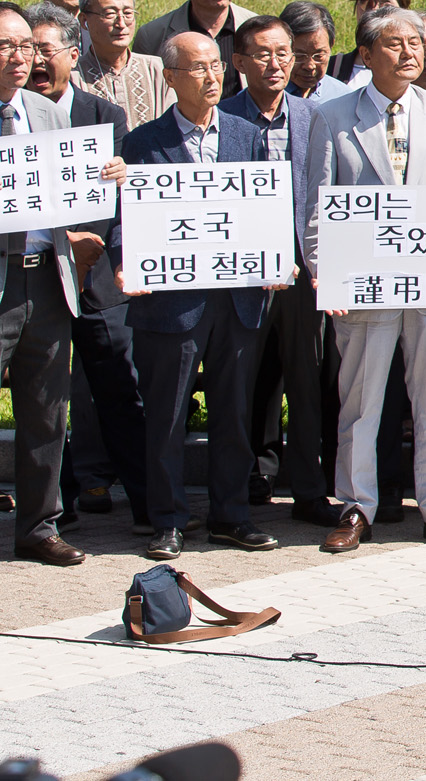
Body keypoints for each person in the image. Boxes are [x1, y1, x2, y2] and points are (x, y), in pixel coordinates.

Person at [310, 7, 426, 553]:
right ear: (365, 54)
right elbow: (317, 205)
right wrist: (322, 272)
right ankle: (356, 506)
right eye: (394, 43)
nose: (410, 52)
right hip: (363, 282)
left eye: (416, 43)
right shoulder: (333, 116)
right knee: (361, 402)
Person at [119, 32, 284, 560]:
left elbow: (267, 207)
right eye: (197, 69)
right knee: (166, 414)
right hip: (170, 302)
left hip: (236, 297)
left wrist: (276, 258)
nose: (212, 77)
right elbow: (129, 218)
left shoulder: (245, 134)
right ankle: (167, 519)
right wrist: (128, 261)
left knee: (234, 412)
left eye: (216, 66)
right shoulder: (142, 142)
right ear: (170, 79)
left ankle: (231, 515)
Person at [24, 3, 143, 538]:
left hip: (98, 280)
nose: (37, 62)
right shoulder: (13, 113)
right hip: (36, 280)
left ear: (74, 54)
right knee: (44, 397)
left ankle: (149, 505)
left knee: (120, 388)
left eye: (47, 50)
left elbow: (123, 204)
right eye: (30, 51)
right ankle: (55, 507)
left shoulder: (104, 116)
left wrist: (111, 251)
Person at [0, 4, 105, 565]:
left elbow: (73, 185)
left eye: (27, 47)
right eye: (6, 46)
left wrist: (102, 178)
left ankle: (39, 526)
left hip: (46, 277)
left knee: (46, 409)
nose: (21, 58)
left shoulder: (46, 110)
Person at [218, 16, 331, 524]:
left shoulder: (315, 117)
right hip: (242, 273)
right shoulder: (221, 118)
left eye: (283, 52)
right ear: (239, 62)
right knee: (238, 384)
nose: (276, 63)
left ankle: (309, 491)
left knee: (307, 383)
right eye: (262, 54)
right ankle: (237, 490)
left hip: (302, 273)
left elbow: (324, 197)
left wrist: (321, 264)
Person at [77, 0, 169, 127]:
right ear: (84, 20)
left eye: (127, 13)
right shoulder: (73, 75)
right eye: (109, 14)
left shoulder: (156, 68)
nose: (121, 24)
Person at [330, 0, 411, 83]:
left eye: (385, 6)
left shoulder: (413, 69)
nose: (373, 11)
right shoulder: (333, 68)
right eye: (367, 3)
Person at [281, 1, 351, 106]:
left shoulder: (344, 99)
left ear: (331, 45)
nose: (309, 66)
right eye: (299, 56)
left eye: (319, 56)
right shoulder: (265, 96)